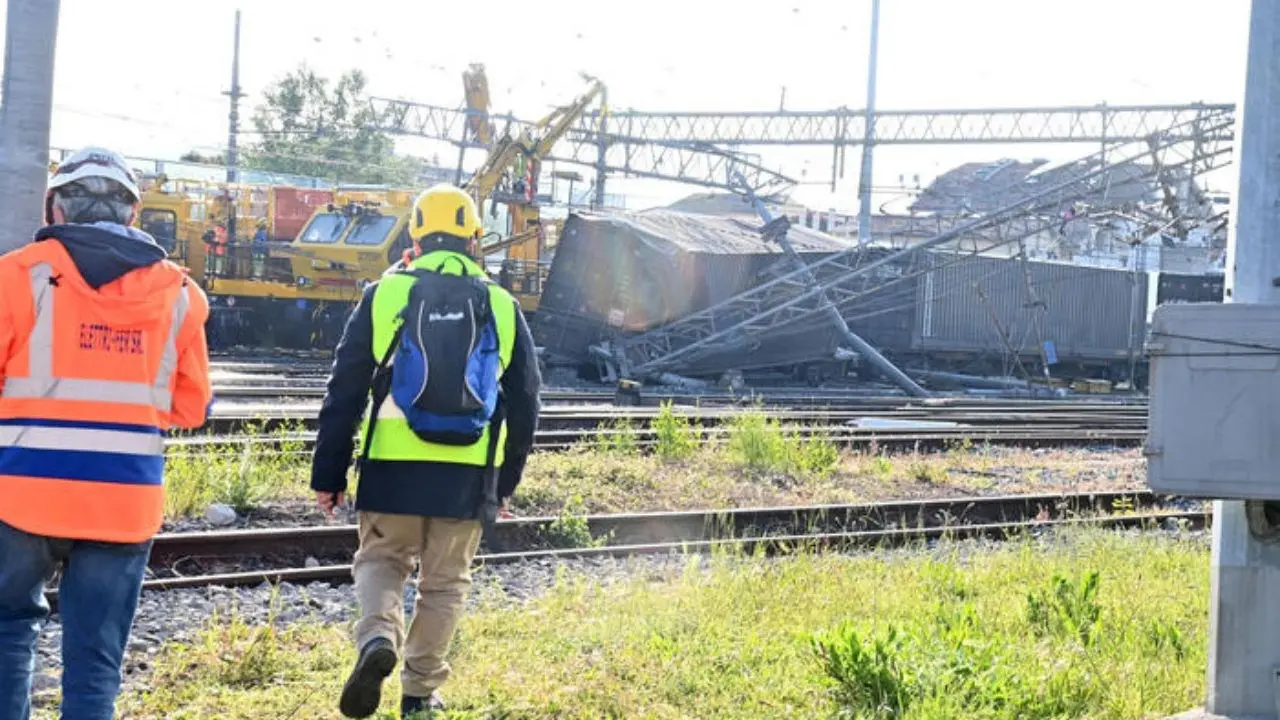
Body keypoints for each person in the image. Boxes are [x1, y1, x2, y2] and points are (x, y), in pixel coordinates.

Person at [311, 184, 541, 719]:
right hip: (465, 475)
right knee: (445, 584)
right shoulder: (502, 305)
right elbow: (527, 402)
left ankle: (377, 638)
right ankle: (419, 695)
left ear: (416, 233)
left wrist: (330, 472)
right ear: (474, 238)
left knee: (381, 561)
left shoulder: (384, 294)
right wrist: (505, 484)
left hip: (391, 470)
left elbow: (343, 389)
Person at [0, 146, 213, 719]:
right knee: (95, 665)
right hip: (123, 501)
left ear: (56, 208)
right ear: (132, 215)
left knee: (8, 633)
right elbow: (191, 408)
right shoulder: (181, 295)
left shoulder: (15, 275)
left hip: (23, 495)